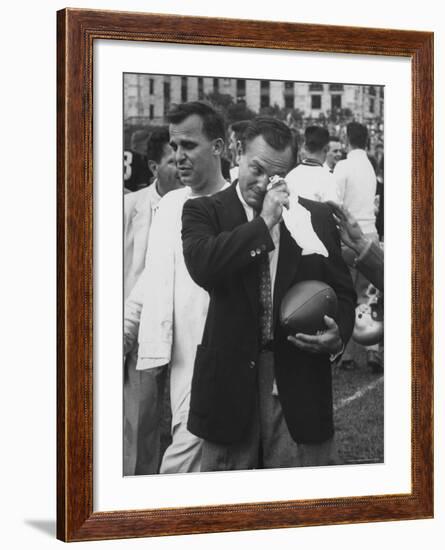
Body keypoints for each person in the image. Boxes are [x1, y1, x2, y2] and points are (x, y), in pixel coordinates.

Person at [181, 117, 356, 471]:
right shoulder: (203, 210)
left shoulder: (315, 217)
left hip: (297, 378)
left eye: (275, 176)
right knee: (228, 510)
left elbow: (343, 292)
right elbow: (204, 266)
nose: (262, 184)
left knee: (300, 509)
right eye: (255, 169)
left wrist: (337, 336)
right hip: (229, 382)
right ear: (237, 154)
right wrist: (264, 223)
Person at [124, 101, 230, 474]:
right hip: (177, 359)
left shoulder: (238, 206)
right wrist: (125, 331)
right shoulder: (170, 205)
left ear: (218, 147)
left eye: (189, 145)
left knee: (181, 465)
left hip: (220, 359)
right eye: (175, 147)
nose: (179, 156)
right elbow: (151, 279)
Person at [123, 127, 183, 475]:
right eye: (173, 161)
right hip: (139, 332)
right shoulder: (128, 207)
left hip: (185, 334)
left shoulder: (199, 206)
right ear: (154, 166)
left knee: (182, 424)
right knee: (140, 421)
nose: (182, 165)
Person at [333, 122, 381, 371]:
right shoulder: (370, 166)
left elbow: (334, 201)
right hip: (371, 234)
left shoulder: (343, 165)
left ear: (346, 137)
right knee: (368, 294)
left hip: (350, 236)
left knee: (347, 294)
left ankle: (348, 354)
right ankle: (373, 350)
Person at [286, 126, 338, 203]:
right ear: (326, 148)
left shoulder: (290, 175)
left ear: (305, 147)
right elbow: (335, 211)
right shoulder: (329, 179)